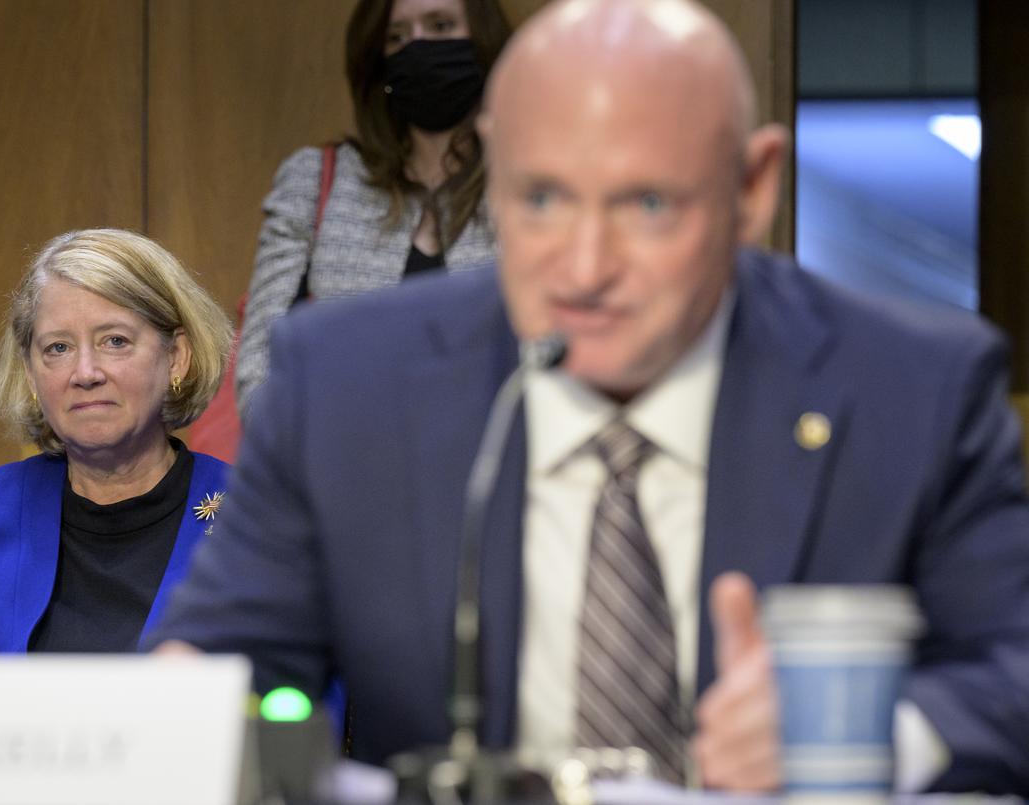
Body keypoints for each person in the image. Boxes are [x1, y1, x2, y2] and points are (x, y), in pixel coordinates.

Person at [150, 0, 1029, 795]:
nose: (584, 268)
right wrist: (197, 701)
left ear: (753, 188)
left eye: (647, 204)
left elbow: (1013, 670)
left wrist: (866, 734)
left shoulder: (912, 387)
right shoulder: (350, 382)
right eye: (541, 200)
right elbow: (237, 659)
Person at [0, 229, 232, 653]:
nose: (85, 372)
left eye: (115, 341)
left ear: (176, 358)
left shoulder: (258, 521)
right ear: (31, 373)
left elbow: (303, 705)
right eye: (58, 348)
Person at [233, 0, 509, 415]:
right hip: (340, 464)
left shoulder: (538, 184)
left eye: (440, 25)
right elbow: (260, 366)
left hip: (498, 463)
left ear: (484, 42)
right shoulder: (314, 179)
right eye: (397, 37)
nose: (418, 47)